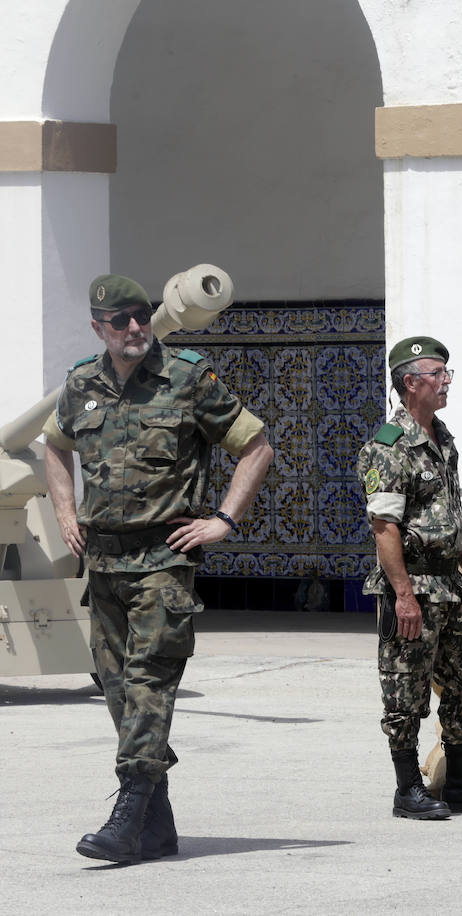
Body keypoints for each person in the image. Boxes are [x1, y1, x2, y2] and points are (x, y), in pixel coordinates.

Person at [43, 274, 275, 863]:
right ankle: (157, 823)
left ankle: (127, 812)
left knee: (149, 682)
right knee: (118, 689)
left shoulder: (188, 378)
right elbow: (55, 444)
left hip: (164, 560)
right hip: (102, 563)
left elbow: (256, 446)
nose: (134, 328)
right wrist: (65, 512)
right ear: (99, 328)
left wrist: (224, 518)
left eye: (141, 316)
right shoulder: (81, 384)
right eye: (120, 320)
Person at [356, 336, 462, 820]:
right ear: (410, 383)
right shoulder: (388, 448)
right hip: (416, 589)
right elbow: (385, 529)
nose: (446, 381)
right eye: (438, 373)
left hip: (449, 585)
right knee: (406, 689)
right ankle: (408, 789)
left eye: (448, 372)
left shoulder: (443, 439)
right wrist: (403, 596)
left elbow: (455, 511)